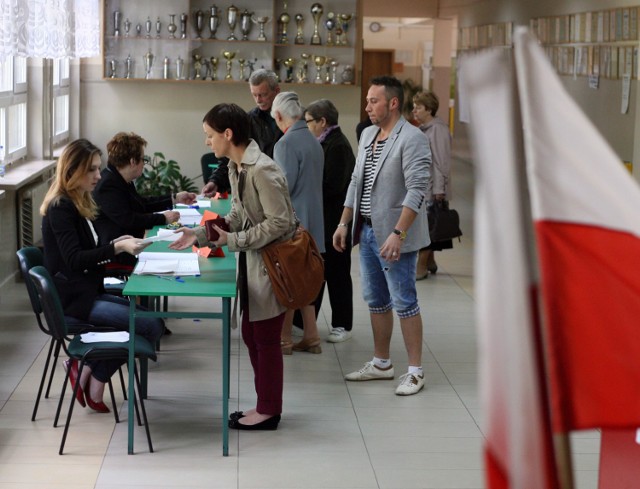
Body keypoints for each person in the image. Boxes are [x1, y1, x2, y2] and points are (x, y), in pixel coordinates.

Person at [170, 103, 297, 431]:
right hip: (255, 260)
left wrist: (232, 242)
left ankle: (268, 411)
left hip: (273, 262)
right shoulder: (236, 166)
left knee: (266, 337)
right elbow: (238, 217)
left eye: (210, 135)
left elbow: (280, 223)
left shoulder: (262, 170)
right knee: (252, 333)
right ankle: (264, 404)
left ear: (228, 134)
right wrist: (198, 233)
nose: (207, 142)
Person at [40, 139, 165, 413]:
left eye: (98, 168)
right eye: (92, 170)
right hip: (74, 300)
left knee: (148, 320)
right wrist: (116, 247)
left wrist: (116, 242)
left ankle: (85, 368)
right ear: (72, 172)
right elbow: (73, 260)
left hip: (86, 291)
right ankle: (93, 374)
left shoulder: (77, 201)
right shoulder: (61, 207)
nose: (99, 175)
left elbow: (85, 252)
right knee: (149, 326)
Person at [332, 75, 431, 396]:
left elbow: (417, 190)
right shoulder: (368, 135)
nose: (367, 106)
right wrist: (344, 222)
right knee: (376, 300)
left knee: (404, 300)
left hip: (394, 236)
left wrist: (399, 233)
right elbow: (355, 181)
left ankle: (415, 371)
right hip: (368, 231)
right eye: (367, 100)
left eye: (373, 100)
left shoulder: (412, 138)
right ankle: (382, 362)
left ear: (393, 103)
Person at [271, 91, 325, 354]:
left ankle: (283, 340)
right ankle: (312, 336)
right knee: (305, 279)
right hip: (314, 220)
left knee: (288, 280)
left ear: (279, 116)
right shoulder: (314, 140)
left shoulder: (286, 143)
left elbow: (283, 188)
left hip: (293, 223)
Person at [93, 131, 197, 268]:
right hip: (119, 253)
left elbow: (141, 204)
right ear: (132, 161)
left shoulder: (119, 178)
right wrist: (162, 218)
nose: (144, 164)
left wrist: (174, 199)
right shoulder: (107, 185)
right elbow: (128, 220)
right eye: (143, 159)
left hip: (133, 245)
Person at [303, 99, 355, 343]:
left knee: (337, 273)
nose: (307, 127)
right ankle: (305, 320)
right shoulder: (323, 143)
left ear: (322, 122)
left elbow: (333, 186)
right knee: (319, 270)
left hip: (336, 221)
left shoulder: (338, 146)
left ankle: (342, 324)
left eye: (309, 122)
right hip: (323, 220)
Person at [201, 69, 282, 197]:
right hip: (256, 188)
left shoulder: (291, 119)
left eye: (263, 94)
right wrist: (215, 181)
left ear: (276, 91)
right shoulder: (247, 119)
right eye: (254, 95)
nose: (258, 100)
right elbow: (231, 154)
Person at [412, 91, 453, 279]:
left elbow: (440, 162)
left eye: (418, 107)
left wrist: (439, 190)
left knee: (428, 227)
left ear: (429, 109)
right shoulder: (426, 128)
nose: (414, 110)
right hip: (425, 186)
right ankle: (430, 262)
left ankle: (421, 266)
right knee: (431, 224)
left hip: (432, 188)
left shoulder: (437, 130)